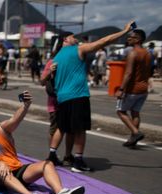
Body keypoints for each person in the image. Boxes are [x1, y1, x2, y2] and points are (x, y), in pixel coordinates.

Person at [0, 96, 85, 194]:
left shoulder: (1, 127)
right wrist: (1, 164)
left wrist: (26, 105)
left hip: (18, 170)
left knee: (47, 164)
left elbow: (15, 119)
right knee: (0, 171)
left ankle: (60, 193)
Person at [53, 22, 133, 172]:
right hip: (78, 95)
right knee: (80, 129)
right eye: (72, 37)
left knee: (64, 128)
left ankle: (57, 155)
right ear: (65, 40)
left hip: (62, 97)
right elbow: (105, 41)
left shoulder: (57, 57)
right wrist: (124, 31)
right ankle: (78, 161)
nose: (76, 39)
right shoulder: (78, 49)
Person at [115, 29, 151, 147]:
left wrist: (121, 89)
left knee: (120, 111)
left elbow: (128, 73)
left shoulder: (133, 53)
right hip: (143, 88)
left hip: (132, 89)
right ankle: (133, 140)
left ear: (138, 39)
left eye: (131, 37)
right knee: (135, 113)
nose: (128, 38)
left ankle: (135, 132)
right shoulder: (147, 53)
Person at [41, 42, 72, 166]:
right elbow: (42, 81)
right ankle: (52, 154)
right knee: (55, 129)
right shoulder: (52, 62)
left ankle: (68, 155)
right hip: (55, 102)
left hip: (69, 101)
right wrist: (50, 72)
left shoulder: (72, 62)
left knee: (70, 130)